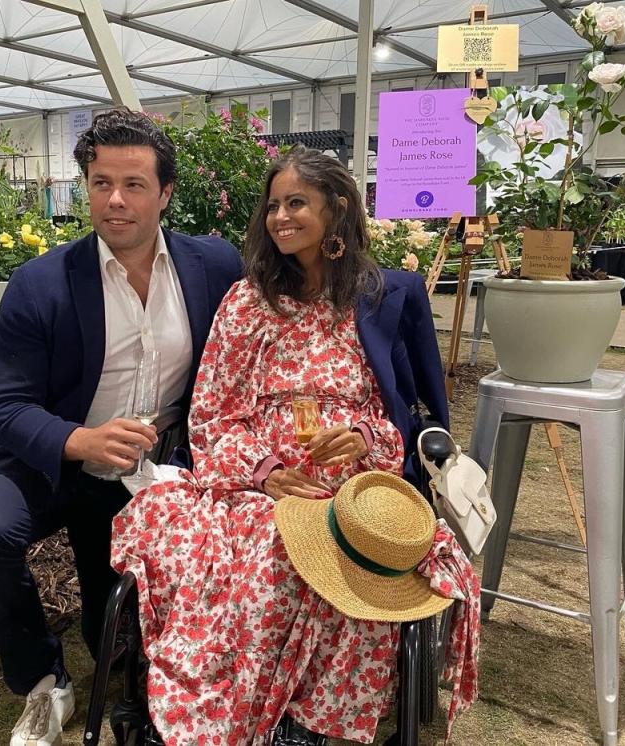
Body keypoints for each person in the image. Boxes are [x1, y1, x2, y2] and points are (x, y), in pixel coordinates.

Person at [110, 145, 452, 745]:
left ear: (337, 208)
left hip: (353, 484)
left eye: (297, 203)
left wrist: (363, 438)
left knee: (352, 554)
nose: (280, 217)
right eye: (273, 206)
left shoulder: (376, 299)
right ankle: (252, 708)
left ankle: (313, 717)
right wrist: (264, 471)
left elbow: (404, 416)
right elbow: (212, 413)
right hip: (254, 480)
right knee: (267, 547)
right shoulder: (248, 302)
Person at [0, 109, 243, 746]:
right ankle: (42, 678)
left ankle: (138, 661)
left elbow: (268, 327)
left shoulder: (214, 268)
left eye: (134, 184)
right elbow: (5, 406)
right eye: (101, 182)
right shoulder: (40, 284)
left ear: (164, 193)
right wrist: (80, 441)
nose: (115, 200)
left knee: (114, 634)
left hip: (152, 464)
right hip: (51, 457)